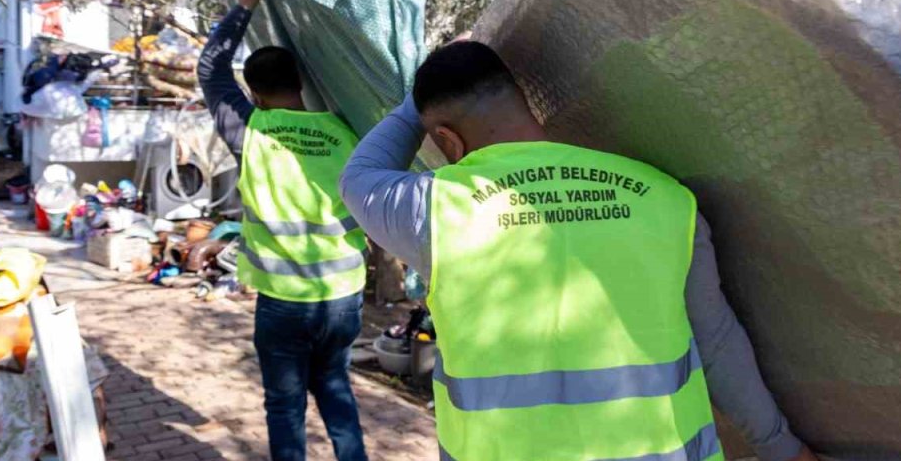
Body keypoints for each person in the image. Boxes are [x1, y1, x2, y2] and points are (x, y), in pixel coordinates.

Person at [340, 41, 820, 461]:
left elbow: (360, 175)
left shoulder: (434, 211)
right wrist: (780, 446)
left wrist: (418, 97)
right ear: (524, 101)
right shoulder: (665, 198)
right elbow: (717, 343)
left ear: (446, 140)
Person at [198, 0, 368, 461]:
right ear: (302, 83)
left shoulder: (250, 132)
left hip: (283, 300)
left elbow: (210, 69)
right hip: (343, 296)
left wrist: (244, 5)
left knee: (285, 404)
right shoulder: (346, 133)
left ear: (253, 94)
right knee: (335, 388)